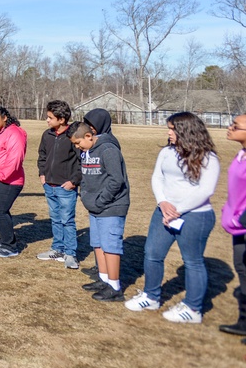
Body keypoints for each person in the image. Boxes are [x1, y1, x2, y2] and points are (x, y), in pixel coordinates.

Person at [125, 112, 220, 323]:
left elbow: (205, 190)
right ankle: (151, 296)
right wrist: (162, 202)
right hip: (163, 211)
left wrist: (177, 210)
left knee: (192, 261)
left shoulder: (208, 157)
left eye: (172, 129)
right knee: (152, 253)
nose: (168, 132)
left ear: (187, 131)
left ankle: (193, 308)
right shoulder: (167, 152)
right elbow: (157, 177)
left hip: (195, 216)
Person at [69, 121, 130, 302]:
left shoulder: (108, 150)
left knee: (110, 246)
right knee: (98, 243)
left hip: (111, 206)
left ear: (88, 136)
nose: (77, 147)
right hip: (95, 206)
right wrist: (86, 197)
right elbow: (85, 178)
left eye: (78, 143)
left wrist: (100, 200)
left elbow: (116, 181)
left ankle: (114, 286)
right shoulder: (86, 152)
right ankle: (103, 279)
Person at [36, 100, 82, 269]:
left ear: (61, 119)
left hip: (66, 187)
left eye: (50, 117)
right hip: (49, 185)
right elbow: (42, 156)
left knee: (67, 220)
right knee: (55, 218)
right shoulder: (47, 135)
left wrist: (73, 182)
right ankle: (57, 249)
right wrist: (42, 174)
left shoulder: (72, 136)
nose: (47, 120)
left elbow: (80, 162)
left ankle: (70, 253)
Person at [0, 105, 27, 258]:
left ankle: (10, 245)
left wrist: (0, 175)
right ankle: (3, 240)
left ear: (5, 118)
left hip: (9, 181)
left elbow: (15, 159)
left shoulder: (14, 133)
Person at [220, 113, 246, 340]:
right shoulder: (241, 154)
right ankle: (243, 322)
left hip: (244, 226)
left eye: (235, 126)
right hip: (238, 227)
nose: (230, 128)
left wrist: (241, 219)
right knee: (242, 269)